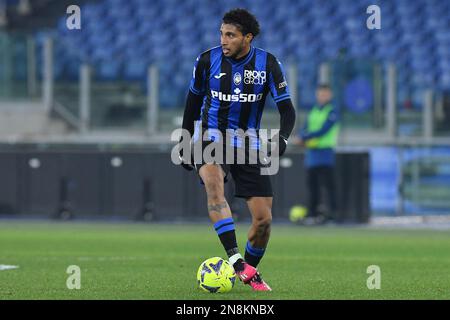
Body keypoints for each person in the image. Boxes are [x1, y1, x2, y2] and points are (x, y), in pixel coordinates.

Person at [177, 8, 296, 291]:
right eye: (221, 33)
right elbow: (192, 102)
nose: (223, 40)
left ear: (247, 37)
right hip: (211, 137)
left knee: (264, 220)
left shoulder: (268, 64)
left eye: (230, 35)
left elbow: (287, 110)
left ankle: (250, 269)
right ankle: (237, 263)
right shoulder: (207, 61)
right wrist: (185, 141)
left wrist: (282, 139)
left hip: (248, 143)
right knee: (214, 184)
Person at [294, 84, 340, 225]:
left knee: (328, 185)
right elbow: (305, 127)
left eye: (325, 94)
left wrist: (304, 137)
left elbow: (323, 130)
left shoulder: (332, 111)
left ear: (330, 95)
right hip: (312, 153)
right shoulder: (314, 110)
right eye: (320, 94)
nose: (322, 96)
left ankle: (332, 215)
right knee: (313, 185)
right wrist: (301, 136)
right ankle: (313, 214)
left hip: (325, 152)